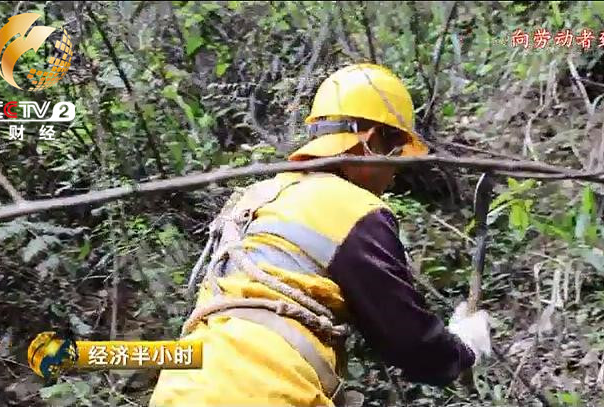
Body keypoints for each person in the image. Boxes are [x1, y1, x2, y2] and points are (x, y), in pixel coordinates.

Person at [149, 63, 492, 407]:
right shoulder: (353, 209)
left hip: (180, 389)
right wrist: (462, 347)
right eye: (397, 152)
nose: (394, 173)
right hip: (262, 392)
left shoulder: (258, 196)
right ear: (372, 142)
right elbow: (411, 343)